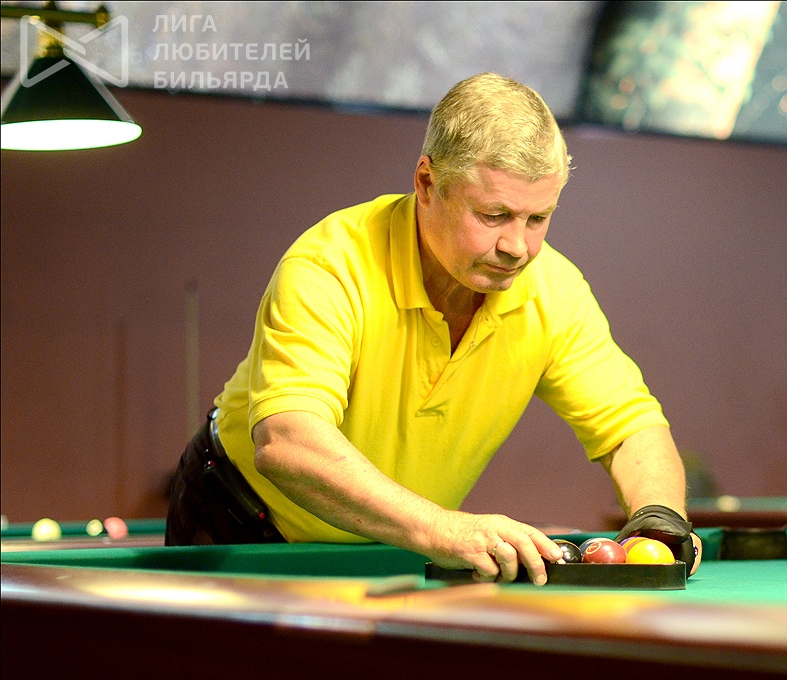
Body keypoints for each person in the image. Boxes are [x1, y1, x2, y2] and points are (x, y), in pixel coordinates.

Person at [166, 73, 700, 583]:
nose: (518, 247)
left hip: (395, 541)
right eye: (494, 215)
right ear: (427, 183)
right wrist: (443, 529)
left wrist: (660, 516)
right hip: (240, 525)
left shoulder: (554, 291)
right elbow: (288, 442)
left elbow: (631, 427)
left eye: (538, 218)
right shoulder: (331, 264)